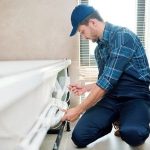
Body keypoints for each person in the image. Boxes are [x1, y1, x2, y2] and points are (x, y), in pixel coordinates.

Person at [61, 4, 150, 148]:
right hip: (111, 98)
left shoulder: (123, 37)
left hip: (135, 97)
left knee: (133, 134)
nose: (83, 37)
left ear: (92, 23)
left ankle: (134, 117)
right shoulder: (99, 50)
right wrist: (86, 88)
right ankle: (116, 118)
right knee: (79, 137)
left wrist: (78, 110)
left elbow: (106, 82)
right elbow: (105, 80)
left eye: (82, 32)